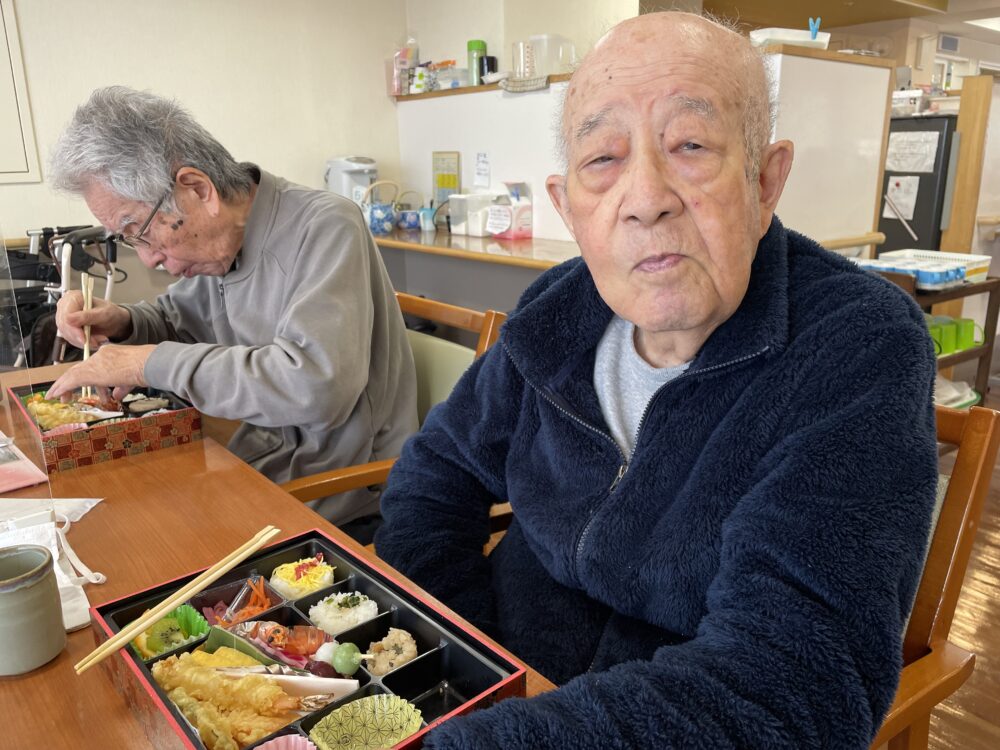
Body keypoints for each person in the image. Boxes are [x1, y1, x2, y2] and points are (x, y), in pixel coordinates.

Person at [376, 11, 938, 748]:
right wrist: (465, 663)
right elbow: (432, 479)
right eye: (602, 160)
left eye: (691, 145)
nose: (645, 197)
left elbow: (790, 683)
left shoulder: (858, 346)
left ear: (765, 181)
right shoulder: (561, 309)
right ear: (566, 206)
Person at [47, 87, 417, 531]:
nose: (147, 259)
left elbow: (315, 387)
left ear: (198, 189)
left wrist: (147, 364)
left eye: (139, 230)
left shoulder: (325, 226)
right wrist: (123, 323)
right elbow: (177, 322)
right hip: (262, 461)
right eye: (128, 240)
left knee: (148, 543)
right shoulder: (222, 244)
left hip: (342, 489)